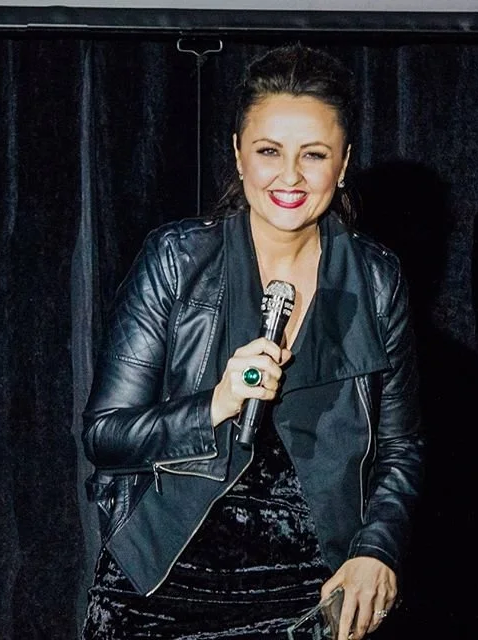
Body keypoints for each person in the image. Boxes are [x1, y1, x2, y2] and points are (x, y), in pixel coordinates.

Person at [81, 44, 423, 640]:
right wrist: (218, 402)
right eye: (269, 151)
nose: (290, 176)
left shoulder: (376, 279)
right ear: (239, 155)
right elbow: (105, 435)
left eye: (313, 154)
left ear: (343, 164)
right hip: (160, 588)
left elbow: (401, 447)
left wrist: (377, 550)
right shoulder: (177, 260)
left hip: (308, 591)